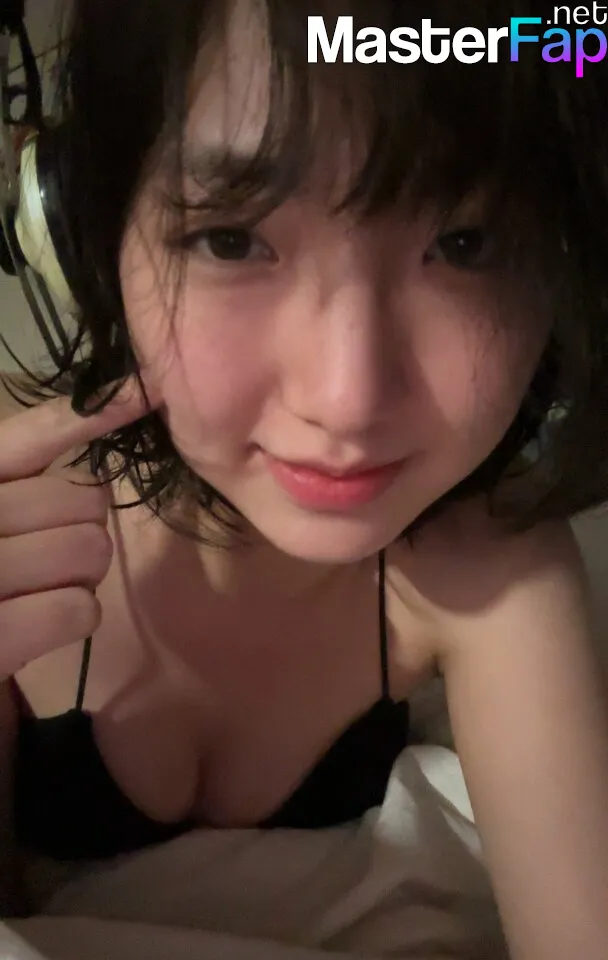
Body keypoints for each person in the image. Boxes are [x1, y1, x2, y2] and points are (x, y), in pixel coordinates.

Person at [1, 0, 608, 956]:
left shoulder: (491, 569)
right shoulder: (13, 511)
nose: (348, 399)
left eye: (465, 243)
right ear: (80, 234)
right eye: (231, 239)